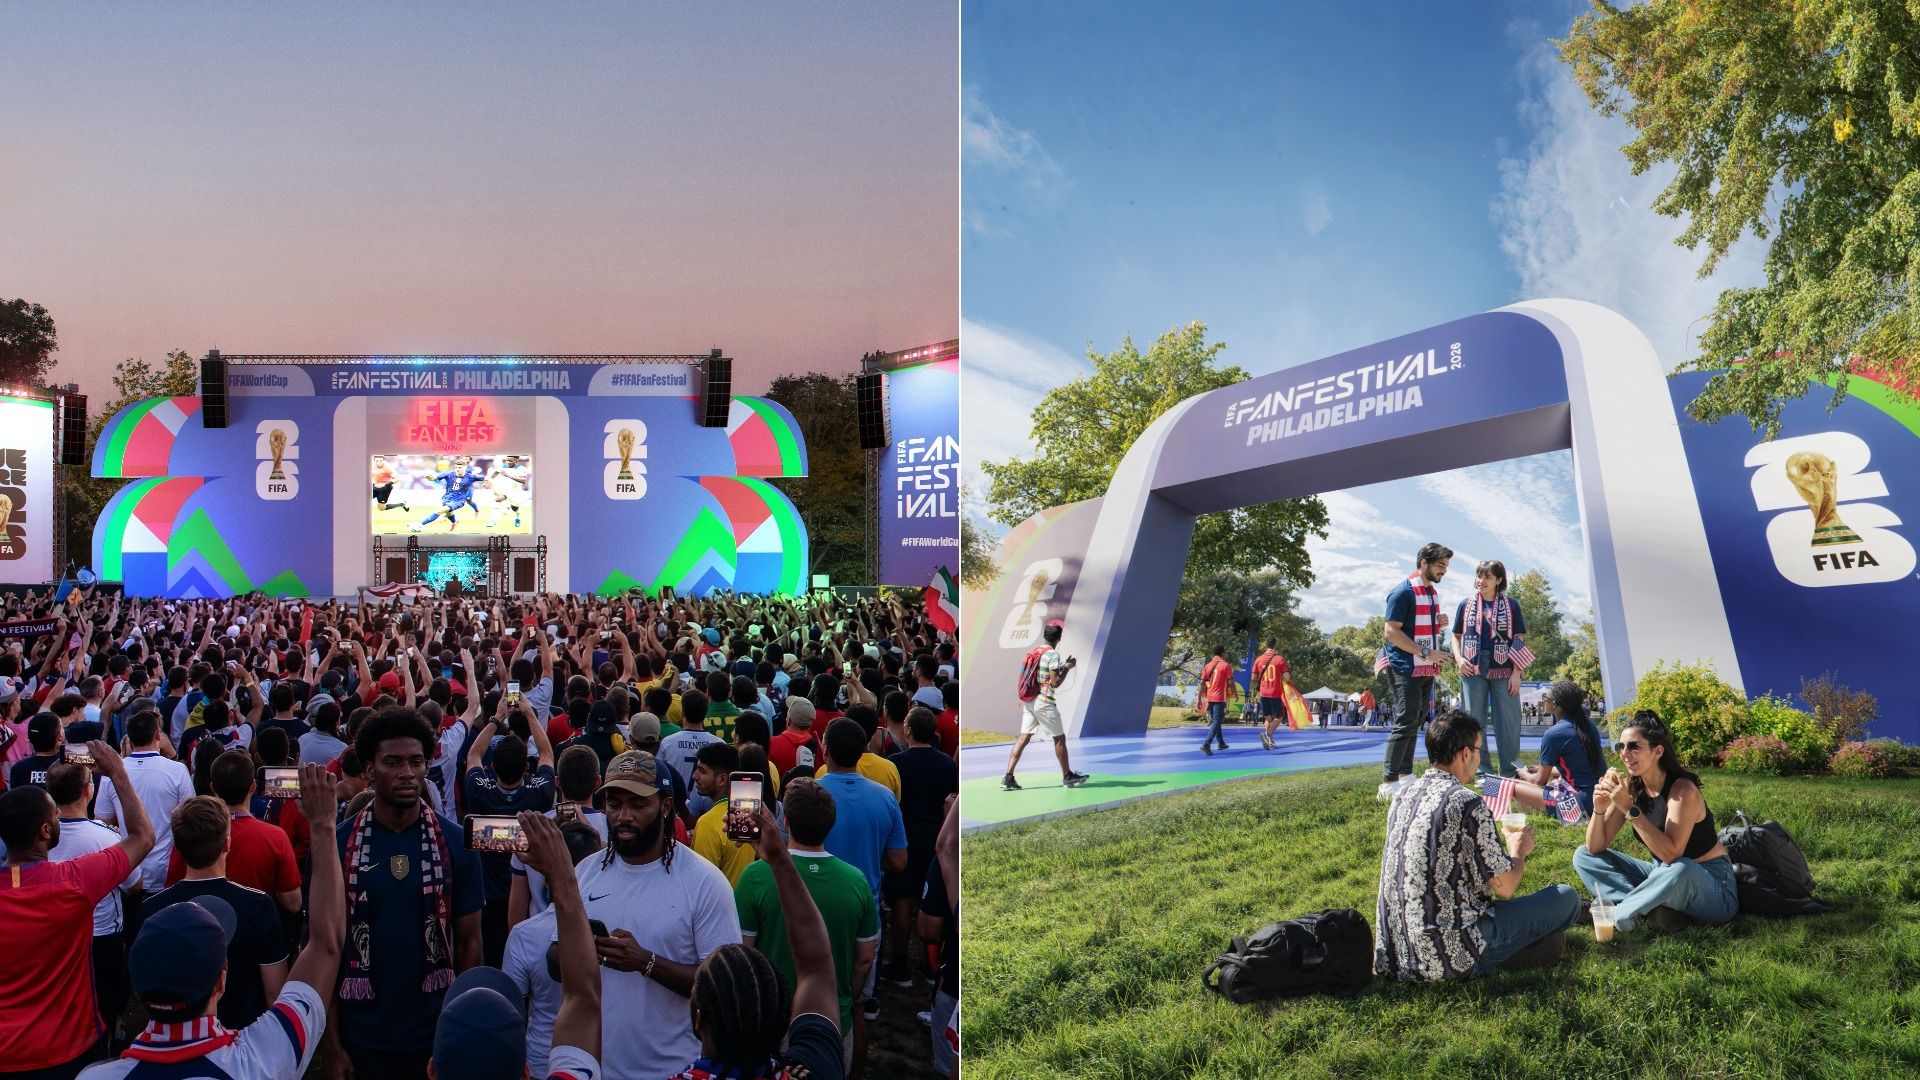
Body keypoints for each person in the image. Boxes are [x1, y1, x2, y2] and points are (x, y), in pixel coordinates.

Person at [80, 763, 343, 1079]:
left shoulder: (94, 1076)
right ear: (221, 980)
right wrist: (324, 824)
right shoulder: (262, 1060)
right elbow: (324, 947)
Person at [328, 707, 486, 1079]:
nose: (407, 773)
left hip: (433, 1032)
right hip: (361, 1034)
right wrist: (332, 1044)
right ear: (369, 770)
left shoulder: (456, 845)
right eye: (393, 762)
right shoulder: (337, 845)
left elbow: (469, 945)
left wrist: (461, 1030)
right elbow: (325, 948)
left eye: (416, 762)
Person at [1374, 710, 1579, 981]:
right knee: (1566, 898)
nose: (1480, 758)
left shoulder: (1403, 796)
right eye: (1479, 750)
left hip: (1395, 954)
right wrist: (1517, 850)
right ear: (1464, 754)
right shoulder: (1465, 802)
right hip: (1447, 956)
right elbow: (1505, 886)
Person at [576, 750, 740, 1078]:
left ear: (665, 807)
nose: (623, 816)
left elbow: (723, 987)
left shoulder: (704, 883)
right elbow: (555, 963)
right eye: (614, 804)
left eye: (638, 805)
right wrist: (579, 947)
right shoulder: (584, 873)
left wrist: (645, 962)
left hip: (673, 1069)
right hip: (597, 1068)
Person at [0, 741, 154, 1079]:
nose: (58, 817)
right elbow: (143, 838)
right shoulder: (74, 882)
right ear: (44, 832)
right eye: (53, 814)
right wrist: (117, 774)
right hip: (69, 1050)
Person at [686, 801, 852, 1078]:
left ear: (698, 1021)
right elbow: (817, 969)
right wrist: (778, 858)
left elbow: (816, 972)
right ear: (786, 1020)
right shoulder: (813, 1070)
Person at [434, 812, 602, 1080]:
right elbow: (582, 999)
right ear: (523, 1074)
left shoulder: (524, 934)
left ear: (432, 1071)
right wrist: (563, 874)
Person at [1573, 711, 1739, 934]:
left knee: (1681, 869)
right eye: (1620, 747)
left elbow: (1671, 854)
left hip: (1712, 886)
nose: (1625, 754)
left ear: (1658, 751)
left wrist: (1629, 809)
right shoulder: (1631, 788)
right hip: (1661, 874)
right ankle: (1653, 908)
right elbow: (1595, 847)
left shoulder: (1683, 791)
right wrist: (1600, 809)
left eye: (1634, 746)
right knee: (1583, 856)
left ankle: (1619, 913)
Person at [139, 796, 291, 1029]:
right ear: (227, 844)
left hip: (177, 1041)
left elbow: (148, 992)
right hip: (244, 1044)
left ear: (177, 848)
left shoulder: (152, 910)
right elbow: (275, 994)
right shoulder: (259, 905)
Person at [501, 821, 607, 1077]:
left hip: (540, 1063)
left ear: (546, 877)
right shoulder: (616, 927)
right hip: (597, 1059)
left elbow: (513, 1012)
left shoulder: (524, 935)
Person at [44, 763, 135, 1050]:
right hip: (103, 937)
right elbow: (134, 884)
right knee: (105, 999)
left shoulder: (37, 838)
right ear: (88, 791)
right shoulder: (107, 837)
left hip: (56, 935)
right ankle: (106, 1038)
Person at [463, 701, 556, 965]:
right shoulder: (538, 794)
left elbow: (473, 756)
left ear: (492, 767)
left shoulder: (480, 792)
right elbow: (547, 754)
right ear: (527, 767)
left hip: (487, 899)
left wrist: (496, 717)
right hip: (526, 900)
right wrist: (528, 714)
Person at [163, 750, 303, 915]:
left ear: (213, 787)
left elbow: (171, 891)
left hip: (199, 930)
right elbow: (293, 903)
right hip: (256, 929)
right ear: (253, 786)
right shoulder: (276, 837)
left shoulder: (191, 832)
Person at [882, 706, 955, 987]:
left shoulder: (897, 762)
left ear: (908, 730)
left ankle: (900, 964)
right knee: (932, 901)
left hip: (905, 837)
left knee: (902, 901)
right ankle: (931, 965)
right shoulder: (946, 763)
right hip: (936, 839)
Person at [95, 709, 195, 914]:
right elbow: (190, 817)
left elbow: (103, 821)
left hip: (126, 871)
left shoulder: (112, 772)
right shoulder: (177, 770)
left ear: (129, 740)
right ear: (158, 735)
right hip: (163, 874)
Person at [1381, 542, 1456, 790]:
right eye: (1440, 565)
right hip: (1405, 665)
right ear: (1423, 563)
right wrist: (1426, 652)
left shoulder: (1430, 593)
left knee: (1417, 719)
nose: (1443, 570)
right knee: (1405, 719)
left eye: (1446, 566)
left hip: (1425, 666)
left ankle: (1405, 774)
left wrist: (1439, 623)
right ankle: (1389, 781)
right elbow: (1391, 632)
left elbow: (1418, 626)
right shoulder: (1402, 592)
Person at [1453, 560, 1532, 777]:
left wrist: (1517, 672)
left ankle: (1510, 771)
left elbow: (1518, 639)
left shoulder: (1512, 605)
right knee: (1473, 721)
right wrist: (1459, 660)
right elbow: (1456, 636)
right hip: (1472, 666)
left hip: (1504, 666)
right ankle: (1481, 772)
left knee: (1508, 721)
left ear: (1498, 580)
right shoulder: (1465, 604)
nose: (1481, 581)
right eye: (1479, 576)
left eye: (1487, 577)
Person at [1000, 620, 1087, 790]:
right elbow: (1055, 683)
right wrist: (1067, 668)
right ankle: (1067, 776)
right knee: (1059, 739)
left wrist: (1060, 667)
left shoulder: (1036, 651)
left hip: (1029, 701)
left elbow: (1041, 672)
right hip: (1044, 701)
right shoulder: (1053, 654)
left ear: (1045, 636)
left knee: (1024, 737)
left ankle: (1008, 776)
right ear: (1059, 638)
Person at [1516, 680, 1605, 817]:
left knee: (1510, 785)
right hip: (1600, 799)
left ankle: (1507, 812)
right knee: (1553, 779)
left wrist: (1524, 773)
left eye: (1545, 697)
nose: (1543, 700)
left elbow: (1539, 781)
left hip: (1580, 804)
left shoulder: (1553, 734)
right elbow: (1579, 767)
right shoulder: (1589, 726)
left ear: (1554, 704)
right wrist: (1543, 769)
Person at [689, 741, 756, 886]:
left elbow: (701, 883)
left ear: (722, 779)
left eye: (702, 770)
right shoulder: (747, 815)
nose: (695, 775)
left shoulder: (707, 823)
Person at [1252, 640, 1289, 751]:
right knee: (1279, 717)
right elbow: (1287, 678)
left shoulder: (1258, 659)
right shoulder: (1280, 659)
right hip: (1274, 692)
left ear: (1266, 645)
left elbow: (1253, 679)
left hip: (1263, 693)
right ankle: (1267, 734)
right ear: (1275, 645)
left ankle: (1270, 742)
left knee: (1268, 718)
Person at [1198, 647, 1233, 756]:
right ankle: (1206, 744)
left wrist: (1199, 699)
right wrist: (1234, 693)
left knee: (1215, 721)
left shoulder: (1207, 666)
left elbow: (1202, 684)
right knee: (1217, 720)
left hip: (1210, 697)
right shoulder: (1226, 665)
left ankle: (1221, 743)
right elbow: (1231, 682)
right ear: (1223, 653)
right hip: (1219, 697)